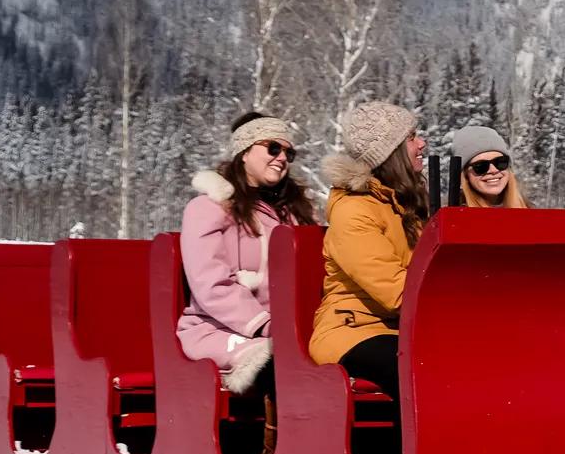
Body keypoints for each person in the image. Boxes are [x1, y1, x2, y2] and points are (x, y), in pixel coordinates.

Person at [177, 112, 315, 394]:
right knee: (283, 367)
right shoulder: (209, 208)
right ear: (244, 152)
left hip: (284, 330)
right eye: (273, 148)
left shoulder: (293, 214)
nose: (282, 158)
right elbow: (210, 284)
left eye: (289, 153)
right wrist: (264, 324)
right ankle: (277, 438)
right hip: (216, 330)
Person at [309, 100, 426, 404]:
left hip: (399, 329)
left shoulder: (404, 204)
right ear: (392, 152)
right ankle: (410, 453)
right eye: (412, 137)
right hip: (353, 329)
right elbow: (397, 293)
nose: (422, 143)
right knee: (415, 369)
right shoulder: (354, 212)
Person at [448, 124, 531, 208]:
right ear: (466, 175)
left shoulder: (531, 213)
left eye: (500, 162)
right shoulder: (453, 217)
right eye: (481, 166)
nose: (493, 170)